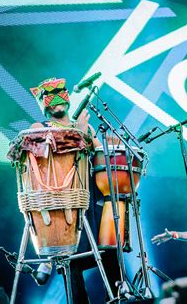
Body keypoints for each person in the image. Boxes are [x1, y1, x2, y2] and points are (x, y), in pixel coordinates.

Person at [29, 77, 120, 303]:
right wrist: (78, 134)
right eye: (51, 94)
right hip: (62, 204)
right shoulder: (39, 127)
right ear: (44, 103)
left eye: (61, 91)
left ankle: (121, 297)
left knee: (110, 249)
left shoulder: (85, 127)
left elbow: (102, 157)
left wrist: (110, 146)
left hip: (88, 199)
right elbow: (43, 151)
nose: (57, 98)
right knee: (72, 261)